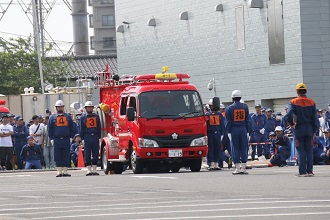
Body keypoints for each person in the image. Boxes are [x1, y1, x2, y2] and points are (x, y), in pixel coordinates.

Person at [285, 83, 319, 177]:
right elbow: (315, 117)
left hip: (299, 127)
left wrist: (292, 124)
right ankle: (310, 171)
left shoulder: (293, 101)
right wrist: (315, 129)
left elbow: (289, 114)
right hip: (309, 128)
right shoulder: (311, 102)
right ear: (306, 91)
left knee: (300, 150)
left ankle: (303, 171)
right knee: (309, 149)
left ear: (297, 91)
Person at [48, 100, 76, 177]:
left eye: (61, 106)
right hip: (56, 138)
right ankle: (59, 171)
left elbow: (72, 127)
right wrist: (51, 138)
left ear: (63, 107)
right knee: (57, 155)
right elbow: (50, 129)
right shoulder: (52, 117)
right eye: (58, 107)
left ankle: (65, 171)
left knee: (66, 154)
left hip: (66, 138)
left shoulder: (67, 116)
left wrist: (71, 137)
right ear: (56, 108)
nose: (60, 108)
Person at [225, 90, 250, 175]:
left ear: (232, 98)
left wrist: (228, 132)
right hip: (243, 129)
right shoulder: (245, 107)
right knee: (244, 147)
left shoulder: (229, 108)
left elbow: (228, 121)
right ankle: (243, 167)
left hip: (234, 129)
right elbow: (248, 120)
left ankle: (237, 168)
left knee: (235, 148)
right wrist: (248, 131)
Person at [80, 101, 101, 176]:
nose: (90, 109)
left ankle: (95, 169)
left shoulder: (96, 116)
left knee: (95, 152)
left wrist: (99, 137)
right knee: (87, 152)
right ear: (86, 108)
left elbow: (99, 127)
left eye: (91, 107)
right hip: (87, 136)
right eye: (88, 107)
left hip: (95, 136)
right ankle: (89, 169)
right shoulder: (83, 117)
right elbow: (81, 128)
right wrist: (82, 138)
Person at [205, 98, 225, 170]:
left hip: (218, 133)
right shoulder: (207, 114)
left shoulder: (219, 114)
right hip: (210, 133)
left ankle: (216, 163)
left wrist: (222, 134)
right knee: (211, 148)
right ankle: (211, 163)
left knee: (217, 148)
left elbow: (222, 124)